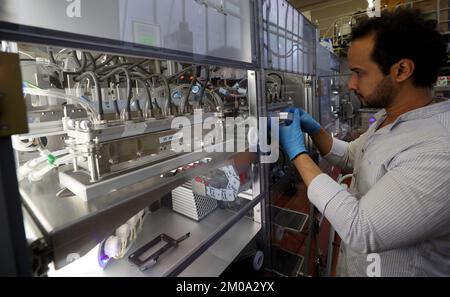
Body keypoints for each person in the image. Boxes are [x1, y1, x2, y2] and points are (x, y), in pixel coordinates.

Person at [279, 8, 450, 276]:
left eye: (359, 72)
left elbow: (361, 228)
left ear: (402, 70)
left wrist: (297, 154)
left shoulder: (439, 148)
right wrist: (314, 130)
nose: (351, 84)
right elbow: (350, 156)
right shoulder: (391, 118)